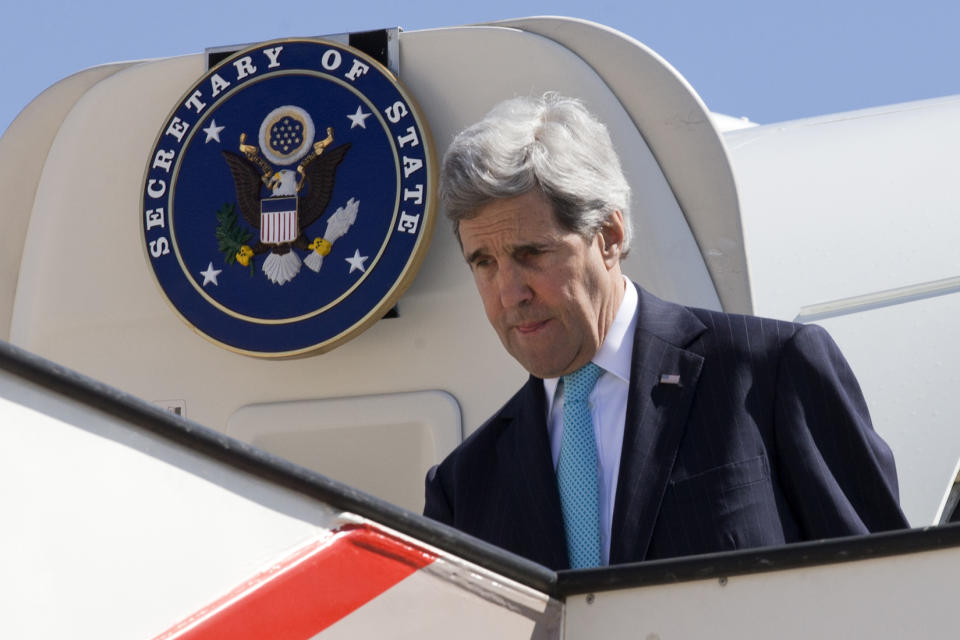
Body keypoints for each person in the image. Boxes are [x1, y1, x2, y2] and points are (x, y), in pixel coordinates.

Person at [423, 92, 908, 570]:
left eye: (531, 254)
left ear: (609, 237)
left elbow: (888, 589)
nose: (509, 293)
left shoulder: (770, 373)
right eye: (484, 262)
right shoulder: (464, 485)